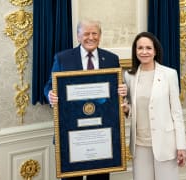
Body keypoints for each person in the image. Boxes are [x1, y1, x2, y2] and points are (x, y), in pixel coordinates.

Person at [44, 20, 127, 180]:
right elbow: (49, 85)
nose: (91, 37)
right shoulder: (63, 58)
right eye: (86, 33)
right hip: (71, 131)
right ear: (78, 36)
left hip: (101, 131)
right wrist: (50, 95)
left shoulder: (111, 59)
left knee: (100, 177)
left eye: (94, 33)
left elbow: (115, 89)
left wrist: (122, 90)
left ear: (100, 36)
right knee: (71, 178)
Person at [122, 32, 186, 180]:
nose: (144, 52)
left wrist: (181, 145)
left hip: (165, 143)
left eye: (148, 48)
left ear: (155, 51)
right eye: (140, 48)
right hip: (139, 144)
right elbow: (133, 108)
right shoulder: (129, 76)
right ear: (135, 51)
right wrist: (127, 110)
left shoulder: (169, 74)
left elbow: (177, 113)